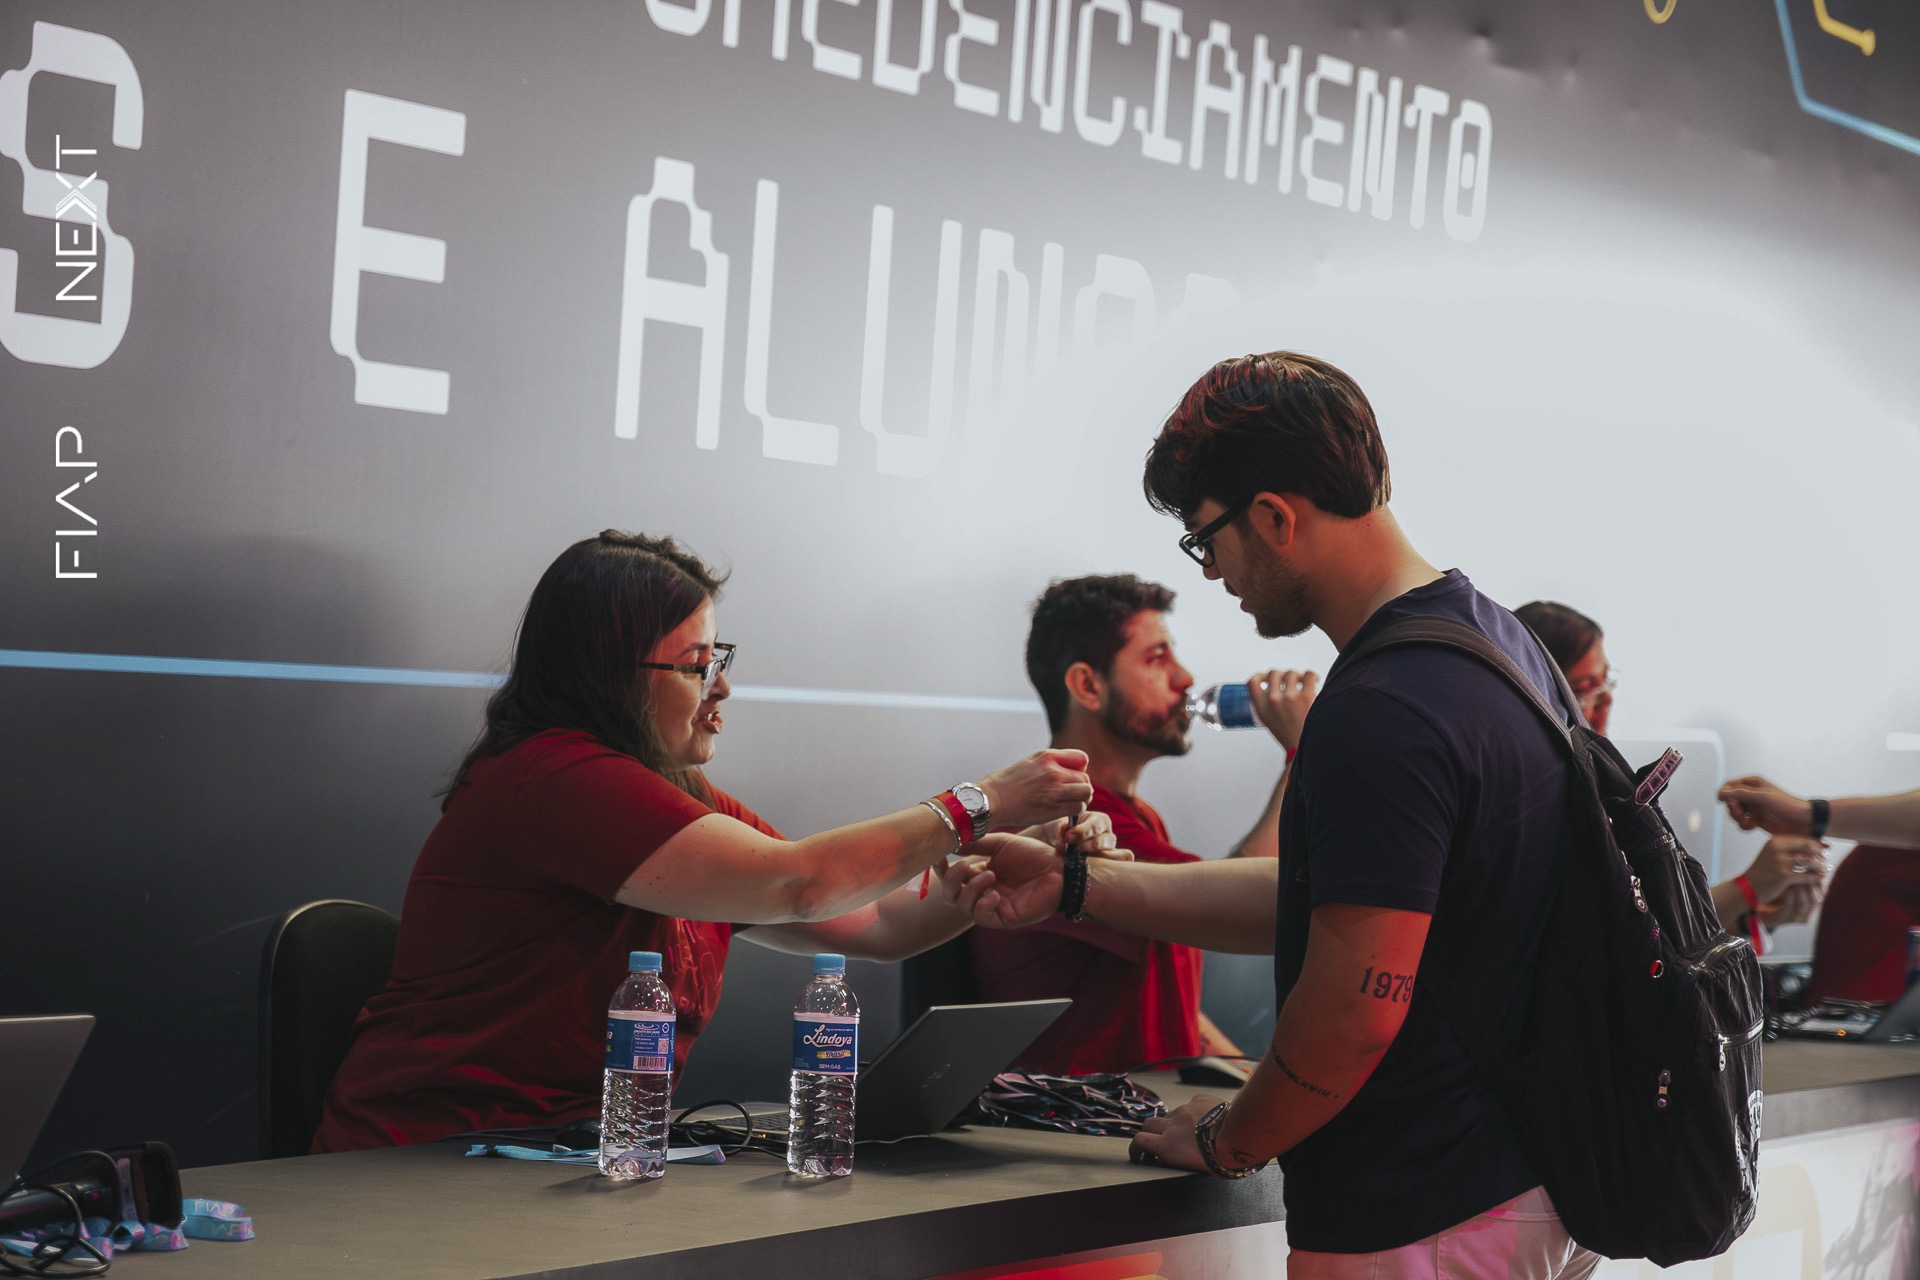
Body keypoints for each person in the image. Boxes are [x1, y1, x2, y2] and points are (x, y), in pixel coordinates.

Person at [954, 352, 1601, 1277]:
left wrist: (1229, 1138)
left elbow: (1353, 1013)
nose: (1214, 572)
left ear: (1272, 517)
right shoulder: (1502, 647)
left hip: (1422, 1208)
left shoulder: (1384, 705)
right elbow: (1319, 899)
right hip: (1520, 1182)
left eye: (1204, 539)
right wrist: (1075, 884)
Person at [312, 530, 1104, 1153]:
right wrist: (980, 803)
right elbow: (800, 884)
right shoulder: (554, 780)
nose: (721, 686)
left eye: (718, 658)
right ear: (612, 674)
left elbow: (876, 923)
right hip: (431, 1165)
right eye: (698, 664)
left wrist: (991, 869)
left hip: (573, 1158)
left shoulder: (676, 797)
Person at [967, 573, 1316, 1074]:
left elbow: (1168, 1004)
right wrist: (1303, 755)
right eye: (1156, 659)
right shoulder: (1071, 821)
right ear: (1088, 686)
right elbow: (1237, 906)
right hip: (1075, 1114)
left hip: (1140, 1104)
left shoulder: (1138, 817)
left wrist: (1248, 1076)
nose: (1185, 678)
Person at [1513, 600, 1828, 939]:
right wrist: (1746, 889)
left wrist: (1756, 916)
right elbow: (1620, 937)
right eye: (1584, 689)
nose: (1607, 701)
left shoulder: (1605, 789)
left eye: (1608, 682)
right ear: (1537, 695)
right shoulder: (1536, 810)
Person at [1716, 774, 1920, 1003]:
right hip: (1859, 1007)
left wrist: (1749, 915)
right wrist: (1746, 890)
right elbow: (1680, 930)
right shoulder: (1895, 849)